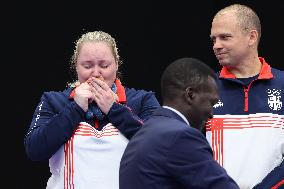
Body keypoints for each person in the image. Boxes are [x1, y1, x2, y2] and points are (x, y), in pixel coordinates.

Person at [24, 30, 160, 189]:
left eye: (104, 65)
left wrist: (115, 110)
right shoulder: (53, 100)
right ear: (76, 66)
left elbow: (159, 147)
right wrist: (75, 109)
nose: (96, 73)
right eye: (87, 66)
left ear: (116, 64)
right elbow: (34, 149)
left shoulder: (143, 100)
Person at [119, 57, 240, 189]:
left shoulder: (145, 133)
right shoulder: (181, 137)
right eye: (211, 103)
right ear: (190, 95)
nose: (211, 114)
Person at [207, 4, 284, 189]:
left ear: (252, 37)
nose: (217, 46)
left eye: (224, 37)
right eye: (213, 39)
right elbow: (186, 154)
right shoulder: (204, 89)